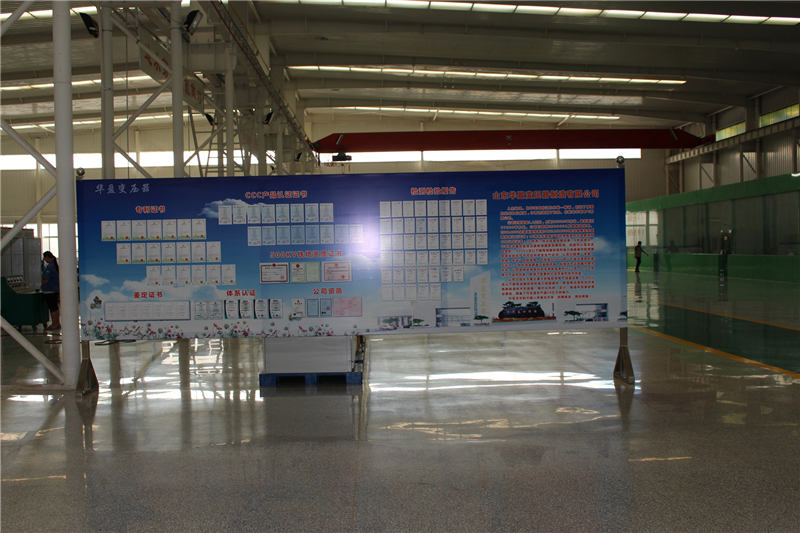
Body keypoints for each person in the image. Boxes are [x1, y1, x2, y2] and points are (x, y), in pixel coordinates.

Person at [41, 251, 60, 330]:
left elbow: (47, 279)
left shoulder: (50, 267)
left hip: (50, 290)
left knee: (52, 308)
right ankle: (57, 323)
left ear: (46, 257)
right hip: (55, 289)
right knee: (55, 307)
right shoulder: (55, 265)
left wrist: (42, 284)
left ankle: (54, 323)